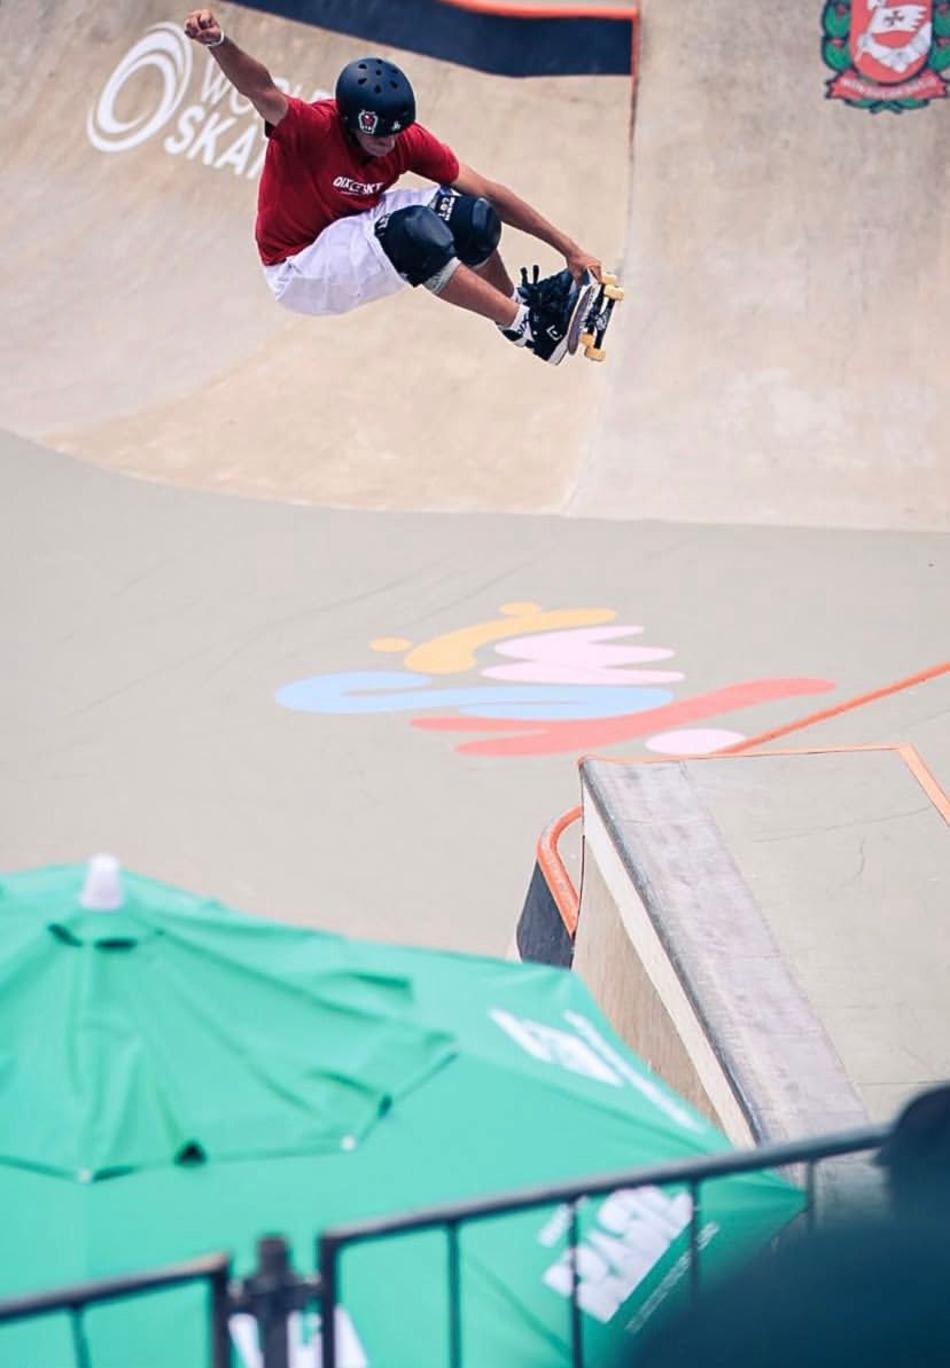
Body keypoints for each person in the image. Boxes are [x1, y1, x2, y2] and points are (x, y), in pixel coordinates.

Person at [182, 9, 604, 364]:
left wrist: (568, 248)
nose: (388, 145)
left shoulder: (403, 140)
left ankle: (520, 311)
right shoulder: (309, 128)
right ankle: (528, 327)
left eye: (396, 135)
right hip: (301, 269)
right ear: (351, 123)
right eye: (378, 137)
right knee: (414, 232)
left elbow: (489, 193)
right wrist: (220, 43)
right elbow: (260, 88)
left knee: (471, 216)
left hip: (353, 229)